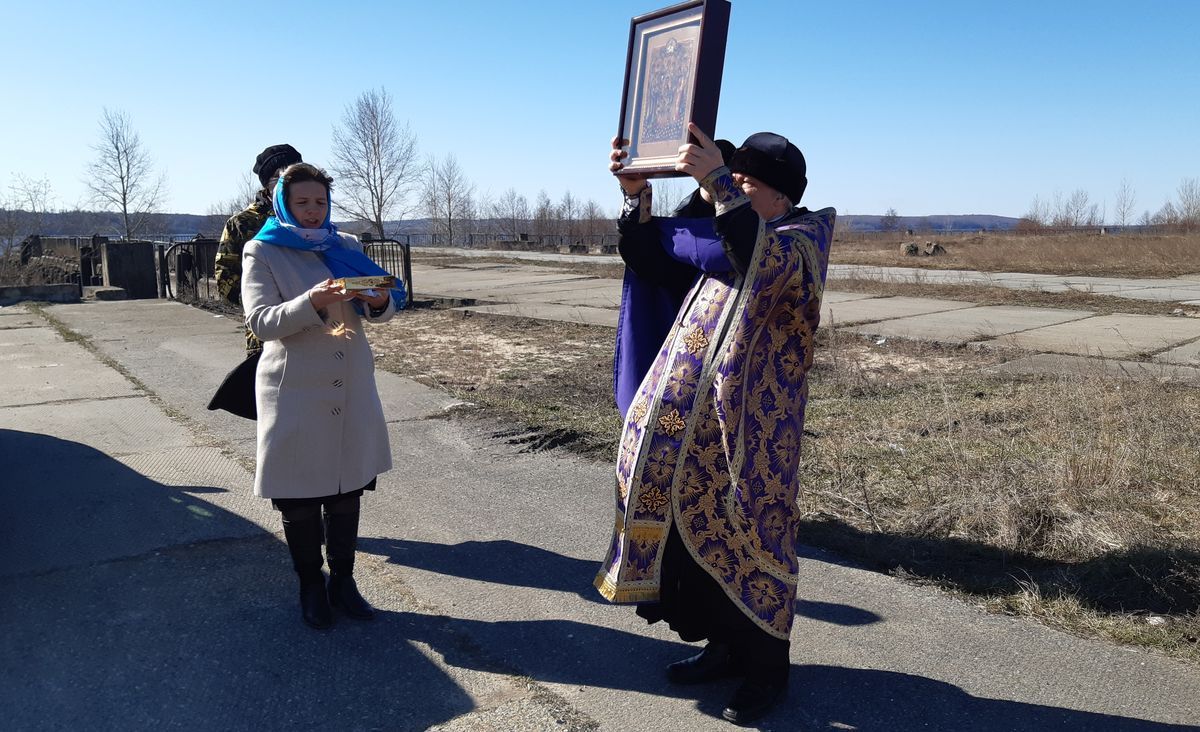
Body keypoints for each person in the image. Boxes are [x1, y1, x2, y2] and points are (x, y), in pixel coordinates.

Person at [596, 124, 836, 725]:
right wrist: (637, 195)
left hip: (752, 435)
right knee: (693, 539)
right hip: (688, 433)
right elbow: (652, 257)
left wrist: (719, 184)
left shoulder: (801, 240)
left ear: (779, 193)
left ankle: (766, 671)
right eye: (732, 180)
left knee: (752, 538)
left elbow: (762, 261)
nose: (728, 188)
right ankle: (723, 647)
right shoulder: (727, 231)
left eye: (743, 181)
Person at [241, 162, 405, 630]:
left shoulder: (346, 245)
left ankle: (344, 582)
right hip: (294, 388)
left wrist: (379, 302)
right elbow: (260, 322)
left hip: (350, 383)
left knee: (346, 489)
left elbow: (385, 302)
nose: (313, 211)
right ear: (283, 203)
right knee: (299, 496)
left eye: (320, 202)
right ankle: (311, 585)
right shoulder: (263, 249)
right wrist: (312, 300)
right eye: (302, 202)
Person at [215, 143, 303, 355]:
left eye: (298, 177)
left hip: (315, 331)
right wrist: (261, 302)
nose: (290, 186)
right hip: (267, 337)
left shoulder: (311, 218)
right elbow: (225, 280)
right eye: (280, 179)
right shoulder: (242, 224)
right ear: (268, 184)